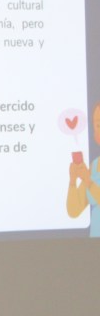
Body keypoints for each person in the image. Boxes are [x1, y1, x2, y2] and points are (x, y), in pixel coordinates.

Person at [67, 102, 100, 237]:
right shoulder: (95, 166)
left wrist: (87, 179)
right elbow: (74, 211)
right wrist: (73, 180)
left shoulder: (89, 175)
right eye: (98, 125)